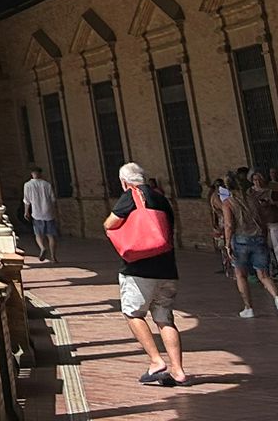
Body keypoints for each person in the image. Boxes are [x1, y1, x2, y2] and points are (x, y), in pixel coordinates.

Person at [104, 162, 190, 387]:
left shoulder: (131, 196)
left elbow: (110, 223)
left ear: (124, 182)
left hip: (139, 269)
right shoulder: (161, 198)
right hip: (167, 269)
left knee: (133, 314)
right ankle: (179, 371)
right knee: (165, 318)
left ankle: (155, 361)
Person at [220, 168, 278, 320]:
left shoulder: (228, 203)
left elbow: (229, 225)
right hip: (258, 238)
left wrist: (227, 244)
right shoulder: (253, 200)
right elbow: (262, 218)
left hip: (240, 240)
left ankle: (248, 307)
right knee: (263, 274)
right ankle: (277, 297)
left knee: (241, 275)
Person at [22, 166, 59, 261]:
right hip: (48, 213)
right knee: (51, 236)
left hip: (37, 213)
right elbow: (53, 199)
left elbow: (27, 200)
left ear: (32, 173)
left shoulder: (28, 185)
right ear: (40, 173)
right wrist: (55, 211)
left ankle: (42, 248)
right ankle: (53, 257)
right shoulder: (47, 184)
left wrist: (26, 211)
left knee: (38, 234)